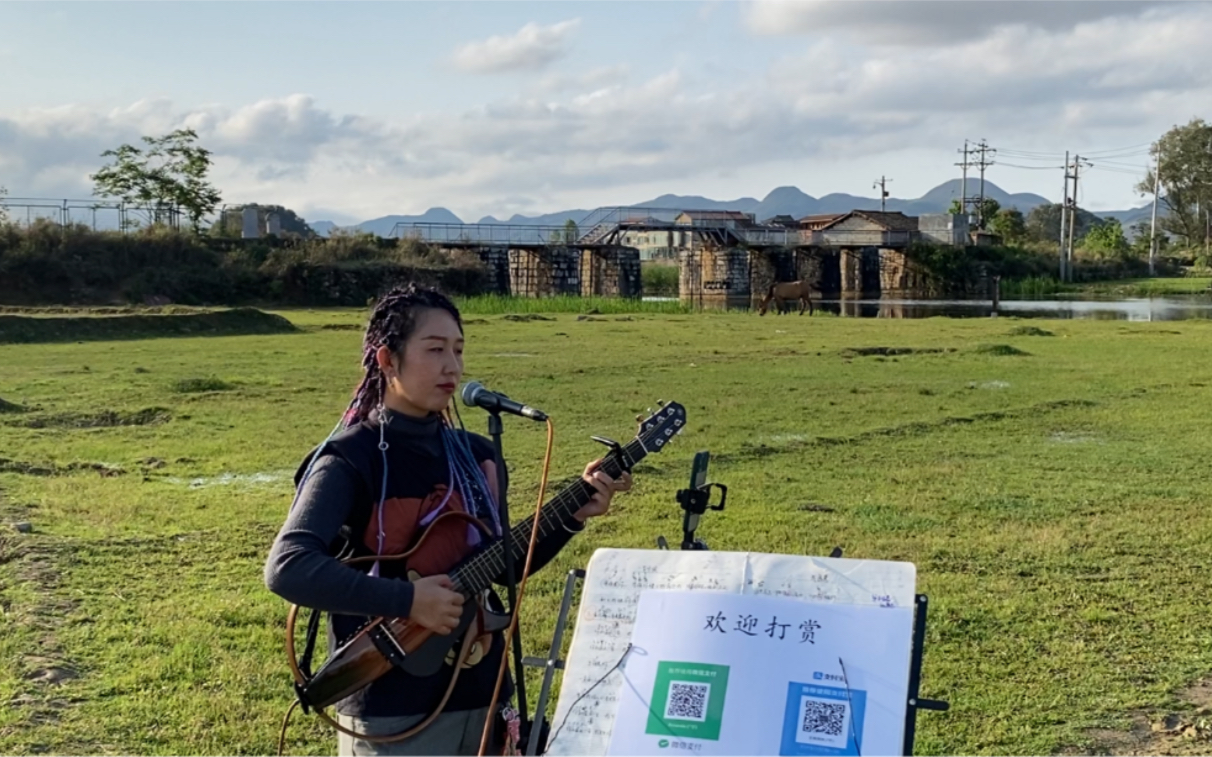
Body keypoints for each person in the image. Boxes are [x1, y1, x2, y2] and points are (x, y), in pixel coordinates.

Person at [264, 283, 631, 756]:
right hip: (393, 704)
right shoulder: (349, 458)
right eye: (434, 349)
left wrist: (572, 516)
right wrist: (408, 599)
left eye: (458, 350)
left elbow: (500, 566)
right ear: (387, 361)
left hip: (483, 692)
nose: (452, 366)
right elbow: (288, 566)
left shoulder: (478, 456)